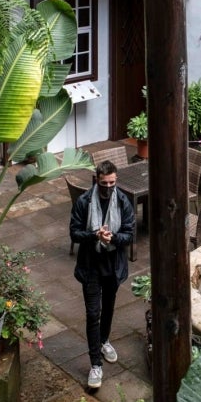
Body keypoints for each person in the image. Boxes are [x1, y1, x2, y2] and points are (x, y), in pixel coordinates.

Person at [70, 160, 135, 388]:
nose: (108, 187)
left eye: (112, 183)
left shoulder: (123, 202)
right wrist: (94, 235)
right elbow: (74, 233)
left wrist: (113, 238)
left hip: (113, 266)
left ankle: (104, 340)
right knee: (92, 313)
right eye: (104, 183)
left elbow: (129, 233)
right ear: (97, 180)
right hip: (91, 266)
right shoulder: (84, 201)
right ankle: (95, 363)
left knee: (108, 306)